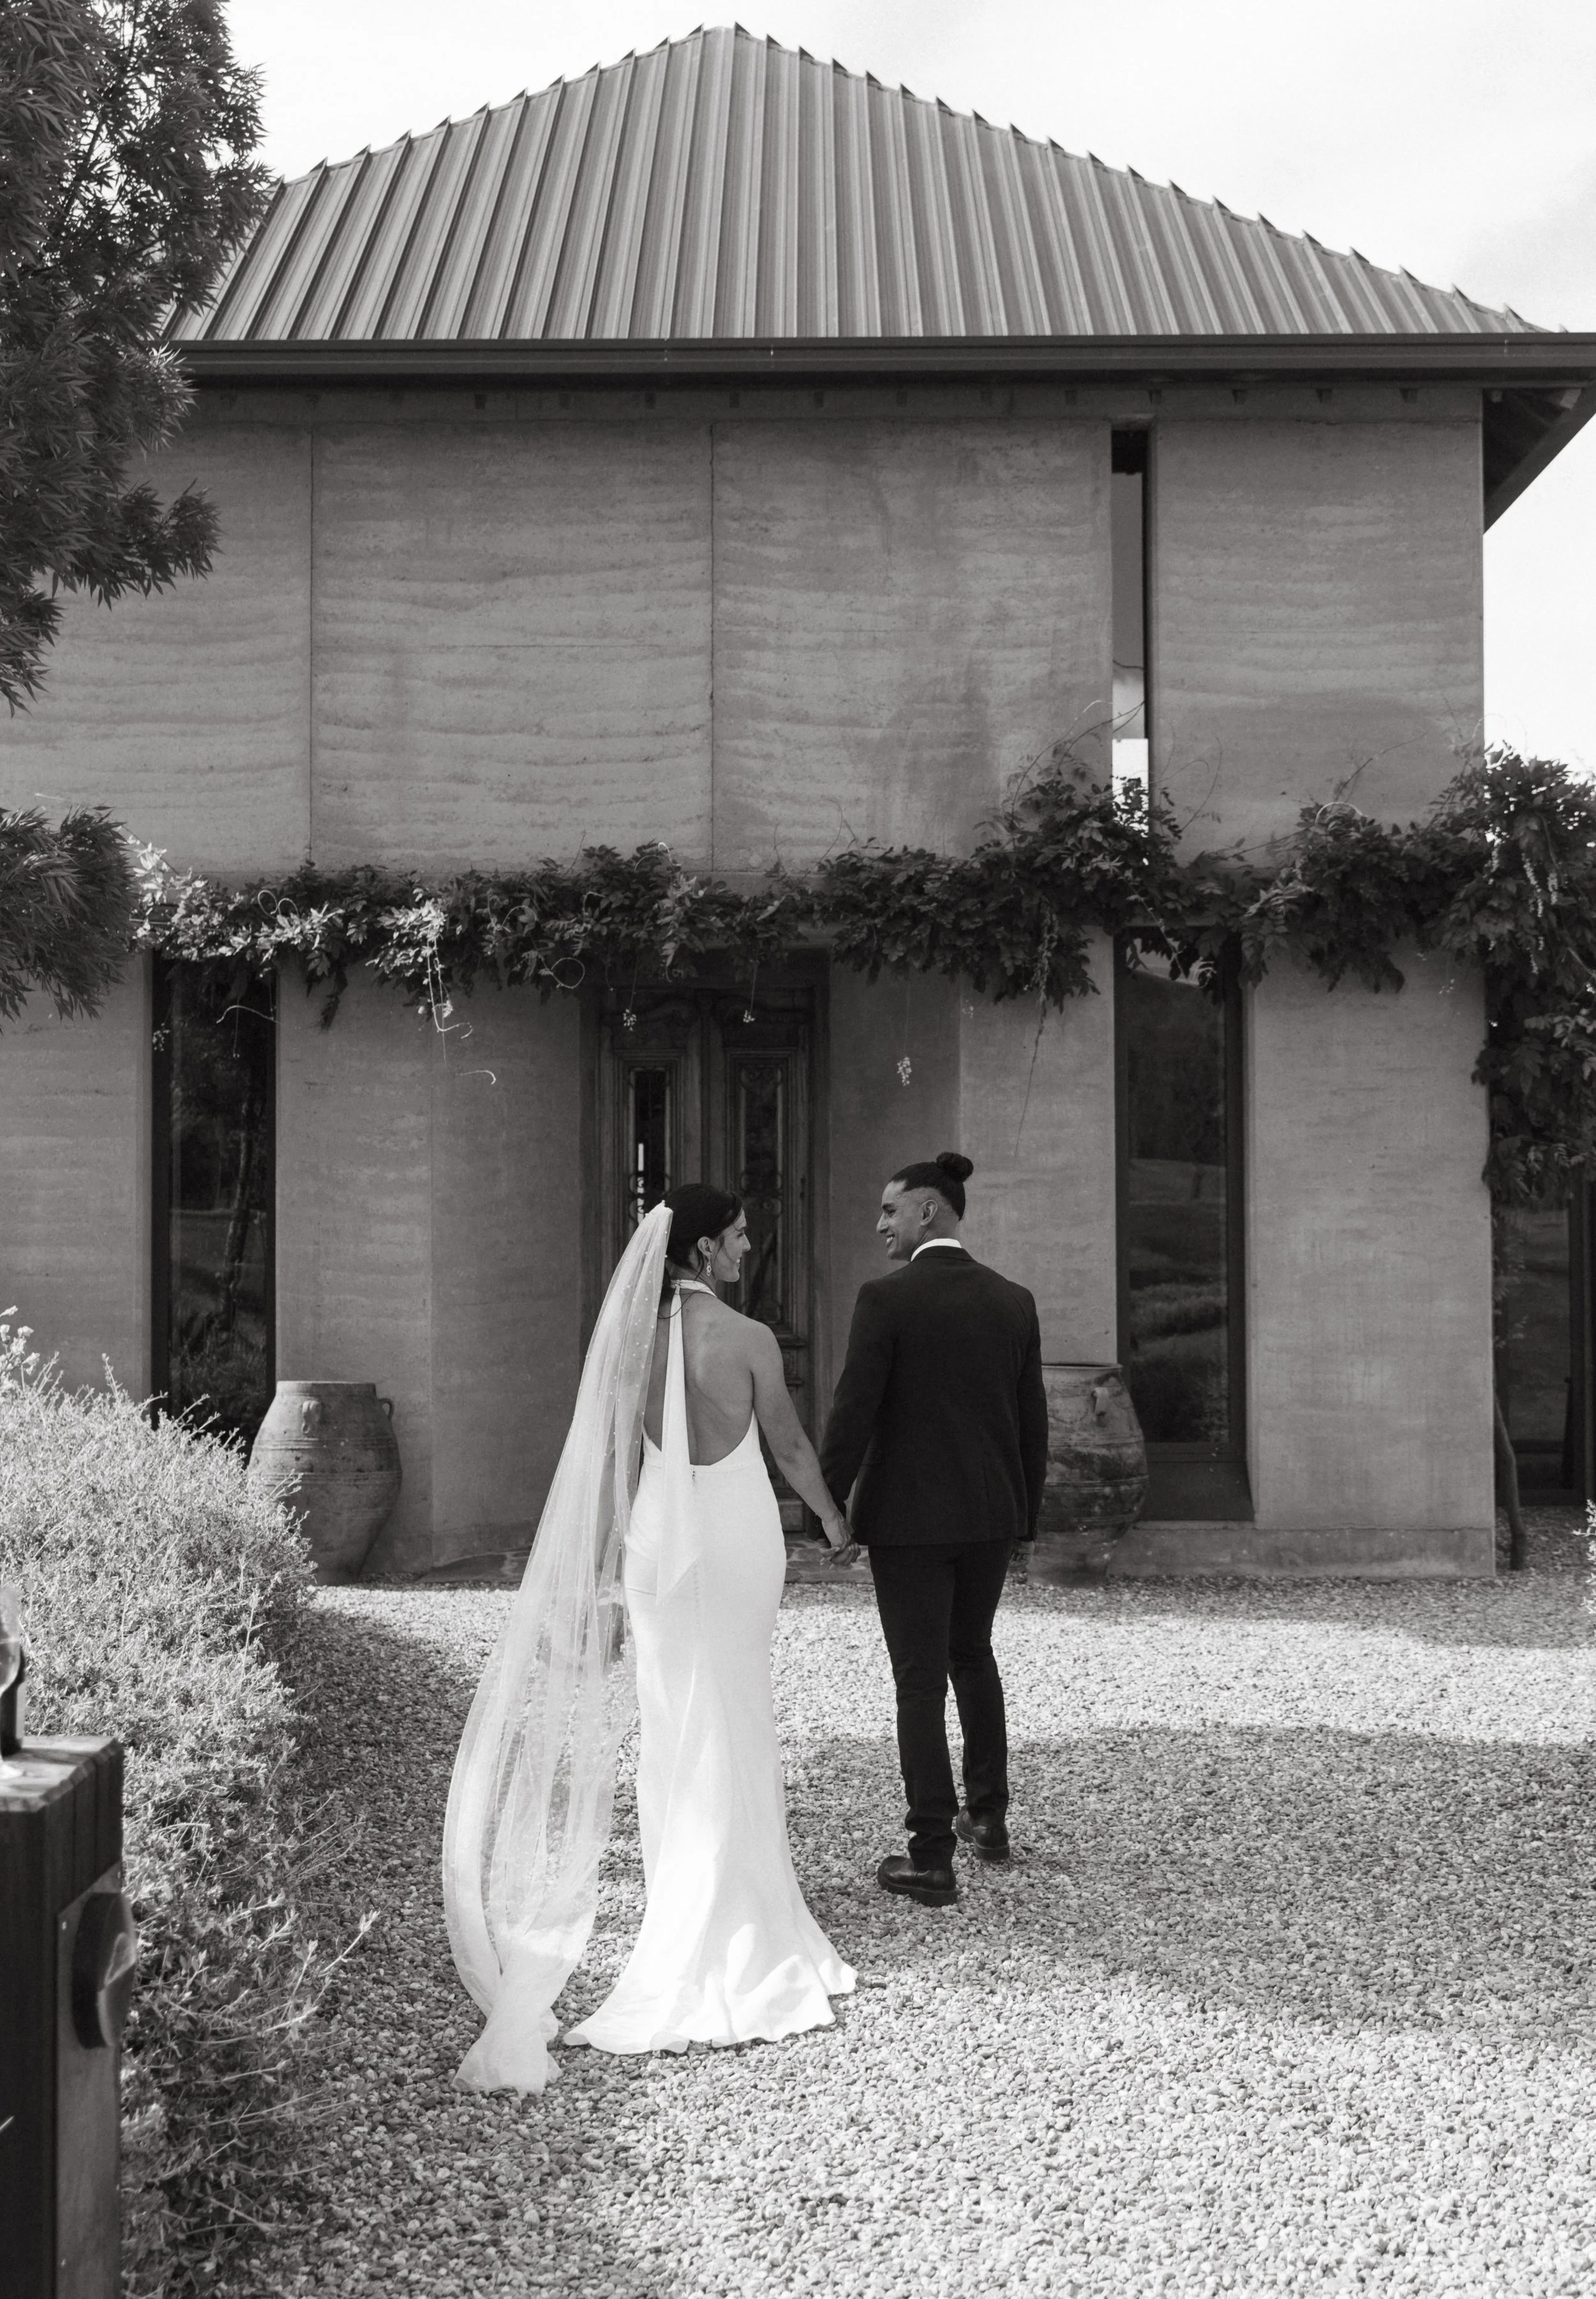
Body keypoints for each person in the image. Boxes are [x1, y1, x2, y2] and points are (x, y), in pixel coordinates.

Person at [444, 1183, 854, 2092]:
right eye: (737, 1236)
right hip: (736, 1536)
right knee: (738, 1707)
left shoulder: (632, 1341)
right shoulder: (747, 1339)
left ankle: (682, 1904)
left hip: (659, 1544)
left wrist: (600, 1570)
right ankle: (742, 1908)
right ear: (703, 1249)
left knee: (671, 1720)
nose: (747, 1248)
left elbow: (612, 1460)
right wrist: (832, 1520)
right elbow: (789, 1450)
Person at [819, 1152, 1048, 1908]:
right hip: (990, 1517)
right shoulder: (1013, 1301)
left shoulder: (885, 1299)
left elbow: (854, 1409)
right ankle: (988, 1818)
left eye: (890, 1210)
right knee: (972, 1655)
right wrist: (1025, 1518)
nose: (879, 1224)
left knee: (918, 1681)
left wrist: (824, 1506)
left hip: (909, 1522)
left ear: (928, 1211)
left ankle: (931, 1856)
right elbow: (1033, 1423)